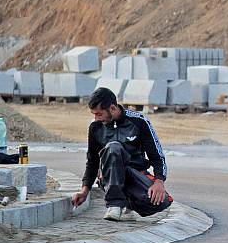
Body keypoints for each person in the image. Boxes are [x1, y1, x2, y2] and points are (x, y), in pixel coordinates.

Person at [70, 87, 172, 220]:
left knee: (162, 201)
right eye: (93, 114)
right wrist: (84, 191)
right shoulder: (95, 127)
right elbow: (92, 161)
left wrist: (159, 182)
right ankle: (114, 205)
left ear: (112, 108)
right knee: (113, 148)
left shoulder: (139, 121)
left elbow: (157, 156)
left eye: (99, 114)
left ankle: (128, 203)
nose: (95, 118)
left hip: (135, 175)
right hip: (108, 177)